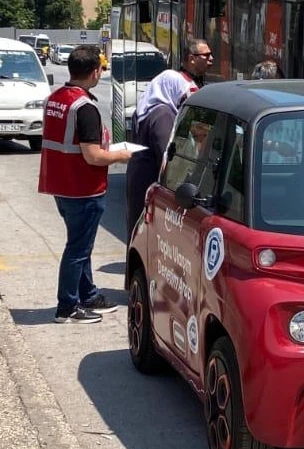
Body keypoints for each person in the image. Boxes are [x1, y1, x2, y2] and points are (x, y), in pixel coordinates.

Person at [38, 45, 133, 325]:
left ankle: (88, 295)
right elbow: (93, 156)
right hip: (83, 188)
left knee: (81, 246)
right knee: (78, 250)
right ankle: (67, 307)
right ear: (95, 72)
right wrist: (123, 155)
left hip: (61, 185)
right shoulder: (86, 107)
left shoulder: (56, 98)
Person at [125, 70, 194, 238]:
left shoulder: (148, 107)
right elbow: (168, 158)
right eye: (182, 96)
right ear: (172, 89)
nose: (183, 100)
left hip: (139, 178)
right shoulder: (163, 115)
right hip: (150, 181)